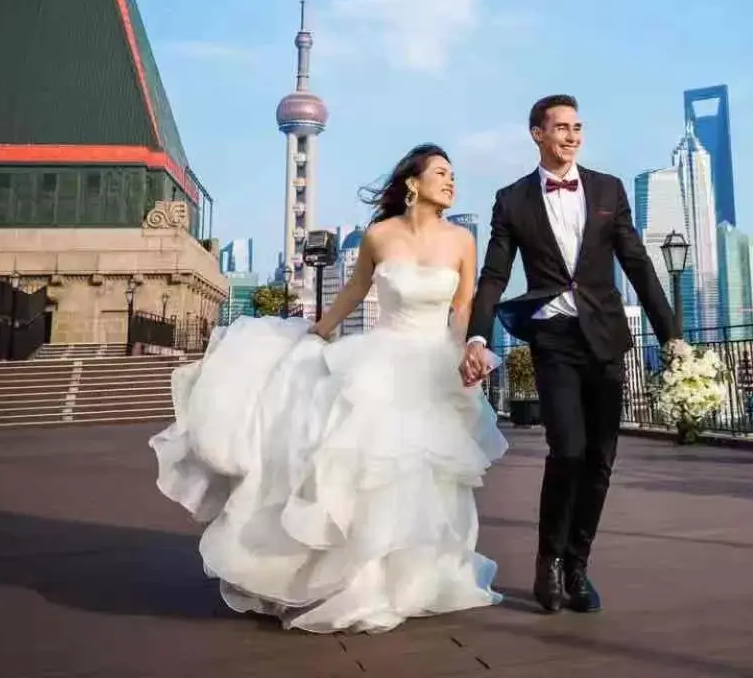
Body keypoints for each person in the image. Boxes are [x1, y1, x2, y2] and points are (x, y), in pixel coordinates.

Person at [149, 144, 507, 634]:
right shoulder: (380, 236)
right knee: (374, 468)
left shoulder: (463, 240)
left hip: (436, 363)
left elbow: (463, 306)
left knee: (430, 473)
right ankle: (365, 583)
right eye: (441, 173)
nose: (451, 181)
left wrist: (468, 348)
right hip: (384, 361)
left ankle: (422, 577)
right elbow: (355, 291)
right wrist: (314, 334)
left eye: (454, 175)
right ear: (413, 183)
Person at [460, 94, 681, 615]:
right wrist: (477, 337)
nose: (572, 135)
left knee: (602, 459)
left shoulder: (608, 189)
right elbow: (494, 274)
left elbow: (638, 265)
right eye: (561, 127)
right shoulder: (512, 199)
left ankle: (578, 566)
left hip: (605, 337)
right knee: (569, 450)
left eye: (577, 126)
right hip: (554, 337)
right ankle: (549, 562)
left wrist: (670, 334)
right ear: (537, 133)